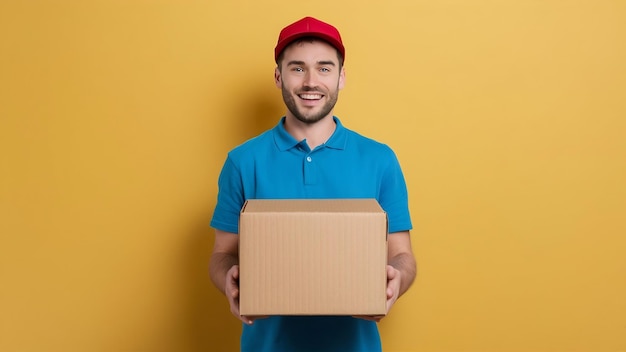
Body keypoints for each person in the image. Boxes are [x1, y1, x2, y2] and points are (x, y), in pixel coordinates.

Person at [209, 16, 417, 352]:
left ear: (341, 77)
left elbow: (403, 255)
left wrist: (397, 278)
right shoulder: (243, 161)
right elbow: (221, 254)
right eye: (297, 68)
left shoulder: (380, 160)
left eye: (324, 68)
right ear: (278, 77)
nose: (310, 81)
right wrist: (228, 278)